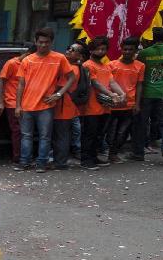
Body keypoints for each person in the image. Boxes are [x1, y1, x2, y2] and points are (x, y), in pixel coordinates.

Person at [14, 28, 74, 173]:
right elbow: (21, 84)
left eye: (46, 42)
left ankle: (41, 163)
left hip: (46, 106)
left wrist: (59, 94)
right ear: (36, 42)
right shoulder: (27, 60)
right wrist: (18, 106)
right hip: (27, 105)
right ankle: (25, 162)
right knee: (26, 136)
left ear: (51, 42)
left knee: (45, 137)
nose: (43, 45)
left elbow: (71, 77)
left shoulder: (59, 58)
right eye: (40, 42)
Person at [80, 37, 125, 170]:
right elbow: (95, 83)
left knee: (99, 134)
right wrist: (111, 94)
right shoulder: (88, 65)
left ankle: (94, 157)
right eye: (98, 49)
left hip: (104, 106)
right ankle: (86, 159)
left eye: (104, 49)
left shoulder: (106, 66)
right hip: (91, 106)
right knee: (90, 133)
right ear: (91, 50)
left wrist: (122, 93)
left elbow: (112, 82)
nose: (101, 51)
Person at [105, 37, 144, 163]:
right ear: (121, 49)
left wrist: (137, 104)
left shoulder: (140, 66)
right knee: (109, 131)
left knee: (123, 132)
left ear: (135, 51)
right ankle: (107, 152)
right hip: (112, 104)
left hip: (129, 104)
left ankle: (113, 153)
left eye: (130, 50)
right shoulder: (111, 65)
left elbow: (139, 85)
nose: (127, 52)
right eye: (125, 49)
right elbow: (108, 84)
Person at [0, 44, 35, 164]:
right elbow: (1, 82)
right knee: (18, 130)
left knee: (25, 131)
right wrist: (1, 102)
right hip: (12, 102)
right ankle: (19, 157)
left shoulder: (30, 64)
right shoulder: (12, 63)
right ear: (28, 54)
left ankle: (24, 156)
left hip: (27, 102)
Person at [52, 43, 85, 170]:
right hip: (66, 105)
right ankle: (60, 160)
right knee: (62, 134)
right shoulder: (72, 66)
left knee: (61, 135)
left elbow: (60, 86)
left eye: (73, 50)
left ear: (79, 55)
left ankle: (60, 162)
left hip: (64, 105)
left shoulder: (73, 69)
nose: (69, 51)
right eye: (69, 48)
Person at [132, 28, 163, 160]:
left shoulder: (144, 53)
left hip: (146, 93)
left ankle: (138, 153)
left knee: (141, 123)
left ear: (152, 38)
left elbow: (138, 71)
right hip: (162, 93)